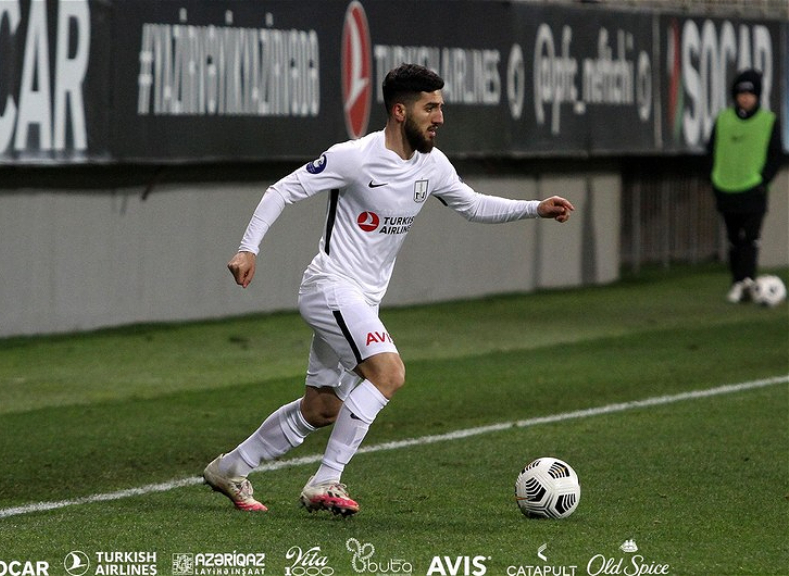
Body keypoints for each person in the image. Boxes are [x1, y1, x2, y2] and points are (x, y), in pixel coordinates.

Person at [203, 63, 574, 516]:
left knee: (322, 408)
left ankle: (230, 467)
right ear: (400, 111)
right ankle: (325, 481)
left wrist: (535, 207)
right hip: (331, 287)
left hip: (362, 300)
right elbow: (282, 190)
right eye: (430, 108)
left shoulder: (432, 165)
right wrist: (248, 249)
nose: (440, 118)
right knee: (388, 372)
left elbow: (473, 205)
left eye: (441, 107)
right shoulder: (354, 157)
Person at [707, 69, 782, 303]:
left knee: (750, 238)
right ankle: (738, 281)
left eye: (750, 94)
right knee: (733, 239)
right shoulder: (723, 120)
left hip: (753, 189)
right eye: (741, 94)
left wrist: (763, 181)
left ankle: (745, 281)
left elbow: (776, 155)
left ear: (758, 95)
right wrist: (714, 179)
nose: (746, 98)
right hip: (726, 188)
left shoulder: (768, 121)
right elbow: (711, 151)